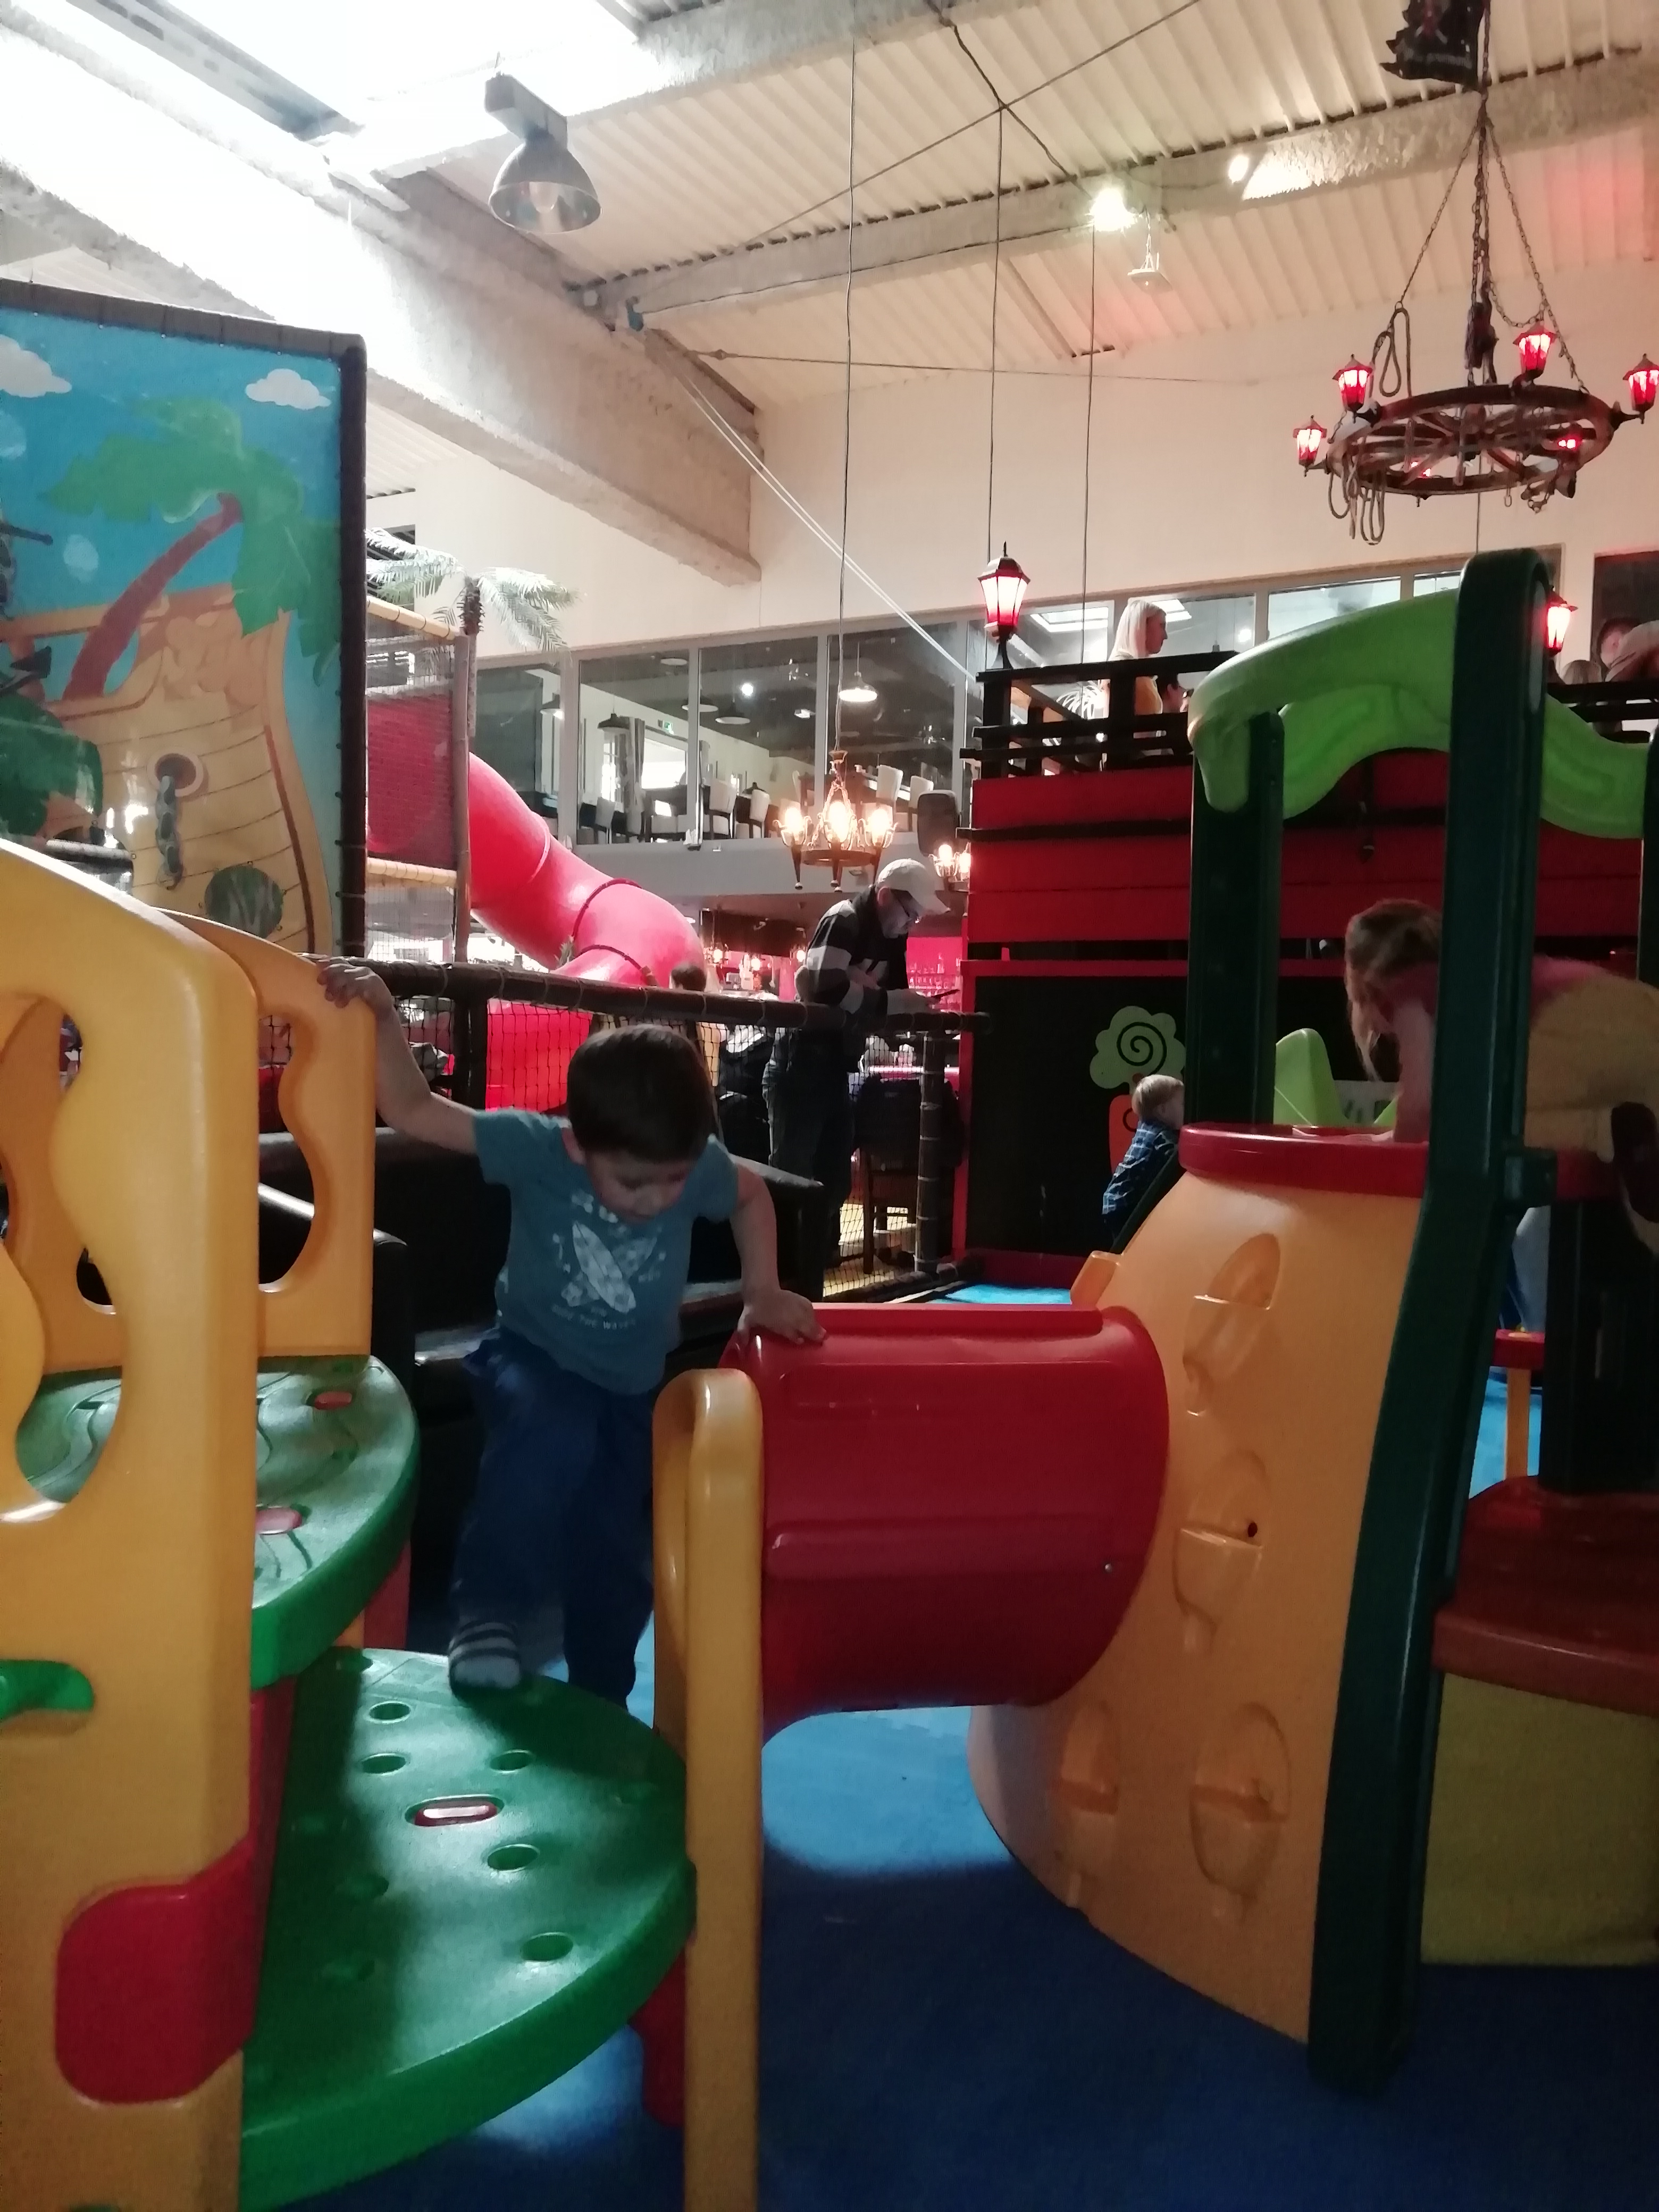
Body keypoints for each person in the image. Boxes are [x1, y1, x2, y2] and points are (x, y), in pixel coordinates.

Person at [315, 959, 824, 1700]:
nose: (656, 1200)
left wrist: (762, 1290)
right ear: (580, 1146)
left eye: (674, 1180)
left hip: (629, 1391)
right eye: (633, 1182)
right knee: (549, 1431)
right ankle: (488, 1613)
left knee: (613, 1549)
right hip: (531, 1358)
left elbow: (751, 1197)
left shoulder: (693, 1165)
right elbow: (414, 1109)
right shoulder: (537, 1149)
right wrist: (386, 1017)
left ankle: (602, 1690)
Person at [1342, 899, 1659, 1249]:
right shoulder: (1483, 971)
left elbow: (1420, 1106)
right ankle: (1622, 1133)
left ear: (1368, 987)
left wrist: (1387, 1152)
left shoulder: (1408, 986)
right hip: (1636, 1012)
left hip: (1563, 1031)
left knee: (1468, 1133)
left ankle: (1605, 1128)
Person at [765, 856, 942, 1269]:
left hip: (835, 1066)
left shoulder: (889, 936)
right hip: (800, 1063)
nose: (911, 925)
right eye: (910, 914)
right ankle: (782, 1267)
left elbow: (881, 1002)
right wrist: (881, 1000)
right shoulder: (845, 918)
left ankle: (807, 1263)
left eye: (916, 918)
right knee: (793, 1174)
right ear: (885, 896)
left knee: (834, 1179)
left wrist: (869, 995)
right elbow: (826, 988)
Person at [1100, 1074, 1183, 1248]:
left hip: (1117, 1200)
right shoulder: (1161, 1134)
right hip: (1127, 1204)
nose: (1186, 1110)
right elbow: (1178, 1156)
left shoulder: (1146, 1128)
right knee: (1131, 1246)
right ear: (1163, 1110)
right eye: (1182, 1104)